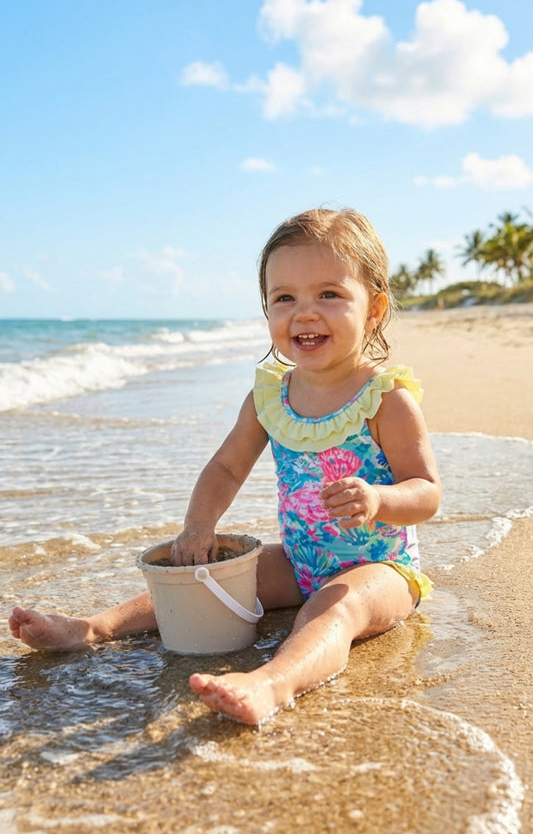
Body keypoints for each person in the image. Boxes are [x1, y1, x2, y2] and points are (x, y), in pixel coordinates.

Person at [9, 208, 441, 725]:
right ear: (266, 310)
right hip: (300, 560)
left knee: (333, 609)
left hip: (382, 569)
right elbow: (226, 468)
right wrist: (198, 527)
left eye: (328, 294)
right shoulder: (270, 399)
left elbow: (427, 491)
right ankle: (92, 628)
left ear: (373, 309)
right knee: (207, 580)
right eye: (285, 298)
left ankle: (272, 683)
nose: (304, 313)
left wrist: (379, 499)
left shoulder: (386, 400)